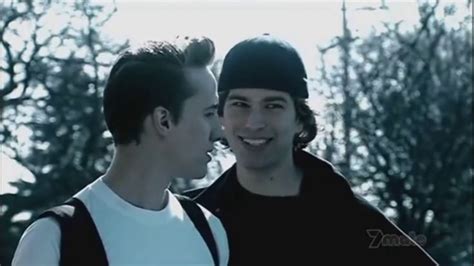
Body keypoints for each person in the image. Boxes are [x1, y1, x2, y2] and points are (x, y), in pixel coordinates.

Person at [186, 34, 438, 265]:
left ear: (300, 119)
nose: (254, 122)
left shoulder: (352, 221)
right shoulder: (193, 220)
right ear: (221, 116)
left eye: (273, 106)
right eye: (240, 104)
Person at [13, 37, 229, 265]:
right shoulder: (54, 238)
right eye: (208, 114)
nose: (219, 131)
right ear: (163, 120)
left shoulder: (210, 232)